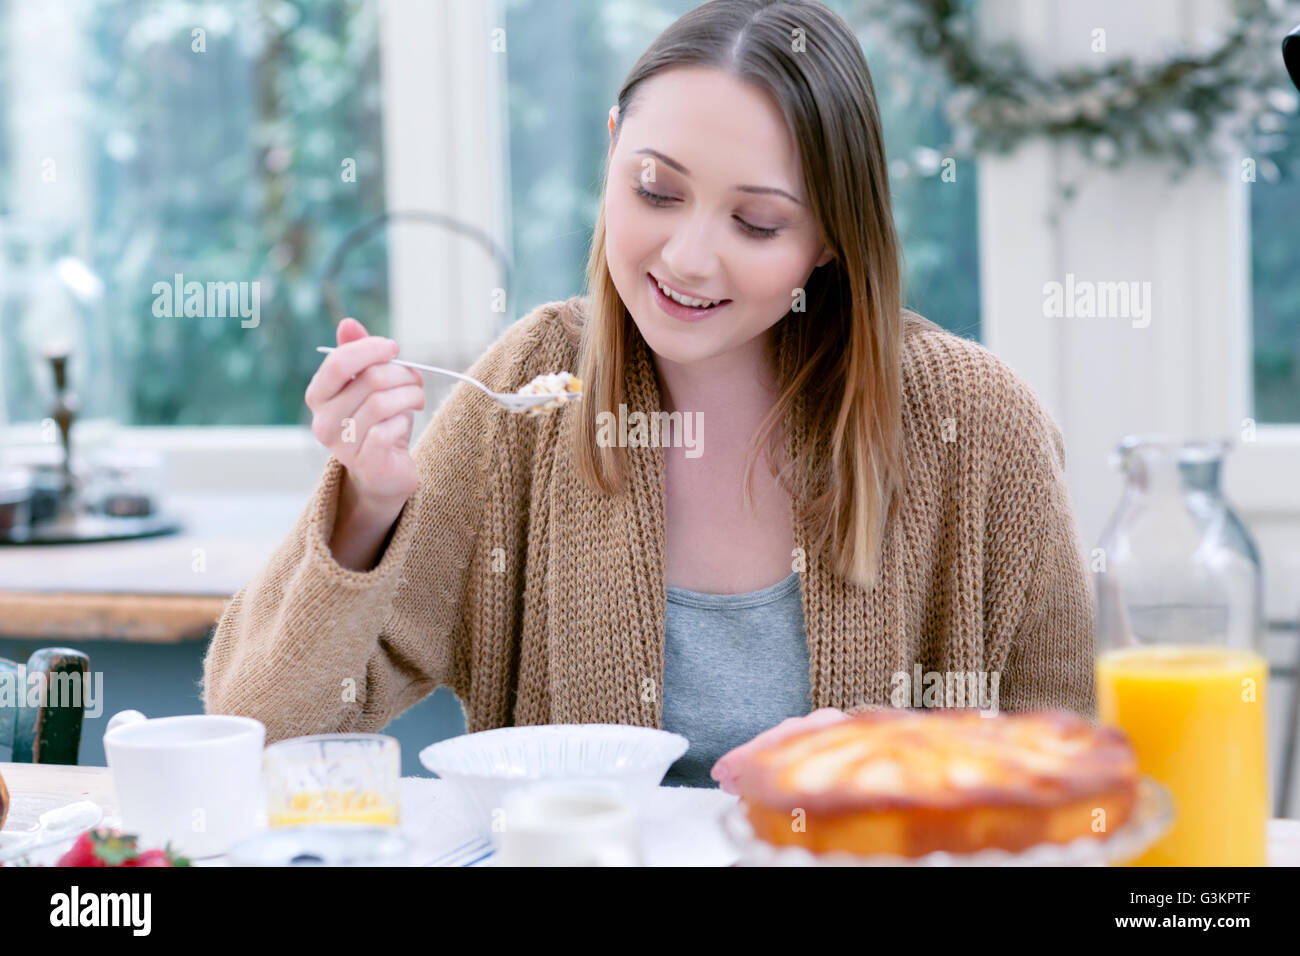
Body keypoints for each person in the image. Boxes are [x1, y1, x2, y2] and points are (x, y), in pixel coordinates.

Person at [201, 0, 1096, 792]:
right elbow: (258, 733)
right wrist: (367, 506)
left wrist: (901, 761)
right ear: (611, 150)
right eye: (656, 190)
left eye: (757, 222)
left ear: (829, 238)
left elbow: (1075, 772)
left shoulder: (975, 424)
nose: (688, 257)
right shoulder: (528, 394)